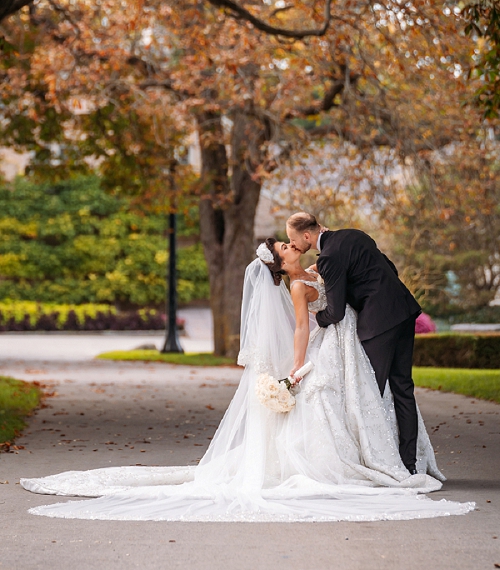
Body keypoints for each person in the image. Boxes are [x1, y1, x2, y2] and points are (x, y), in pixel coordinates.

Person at [20, 247, 474, 523]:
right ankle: (359, 464)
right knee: (334, 408)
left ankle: (377, 458)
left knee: (356, 406)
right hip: (326, 353)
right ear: (282, 262)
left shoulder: (313, 272)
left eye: (289, 241)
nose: (291, 245)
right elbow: (302, 329)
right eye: (284, 246)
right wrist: (297, 370)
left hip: (344, 350)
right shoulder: (298, 286)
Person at [285, 212, 422, 474]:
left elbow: (335, 312)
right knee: (403, 388)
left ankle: (384, 462)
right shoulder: (353, 234)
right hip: (403, 310)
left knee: (371, 391)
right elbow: (389, 269)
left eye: (293, 239)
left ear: (306, 236)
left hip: (378, 323)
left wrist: (318, 316)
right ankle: (409, 463)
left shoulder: (328, 257)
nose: (292, 245)